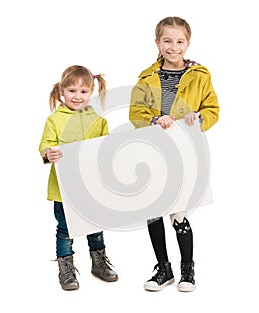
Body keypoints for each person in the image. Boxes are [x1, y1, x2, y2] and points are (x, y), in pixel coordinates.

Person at [129, 16, 219, 292]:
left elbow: (212, 109)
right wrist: (156, 120)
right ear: (157, 42)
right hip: (154, 151)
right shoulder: (146, 77)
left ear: (187, 43)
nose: (173, 47)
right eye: (167, 41)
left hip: (183, 151)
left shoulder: (201, 76)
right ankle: (163, 269)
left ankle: (187, 270)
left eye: (180, 41)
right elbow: (136, 112)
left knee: (178, 210)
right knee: (154, 211)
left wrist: (199, 116)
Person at [39, 65, 118, 291]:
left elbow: (106, 149)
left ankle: (99, 263)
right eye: (72, 90)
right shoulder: (54, 120)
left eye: (83, 92)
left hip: (91, 188)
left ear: (91, 93)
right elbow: (45, 144)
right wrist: (48, 152)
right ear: (62, 91)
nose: (77, 96)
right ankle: (66, 269)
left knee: (95, 225)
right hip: (63, 190)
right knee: (65, 229)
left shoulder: (99, 120)